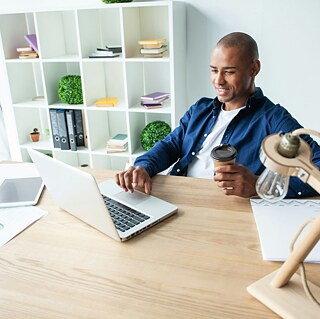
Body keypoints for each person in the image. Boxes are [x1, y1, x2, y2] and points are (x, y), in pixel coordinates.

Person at [115, 32, 320, 198]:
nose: (218, 81)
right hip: (181, 197)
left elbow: (317, 171)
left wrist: (258, 185)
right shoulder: (200, 109)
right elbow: (171, 146)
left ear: (254, 69)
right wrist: (143, 166)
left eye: (229, 72)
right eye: (214, 70)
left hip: (226, 211)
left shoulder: (274, 119)